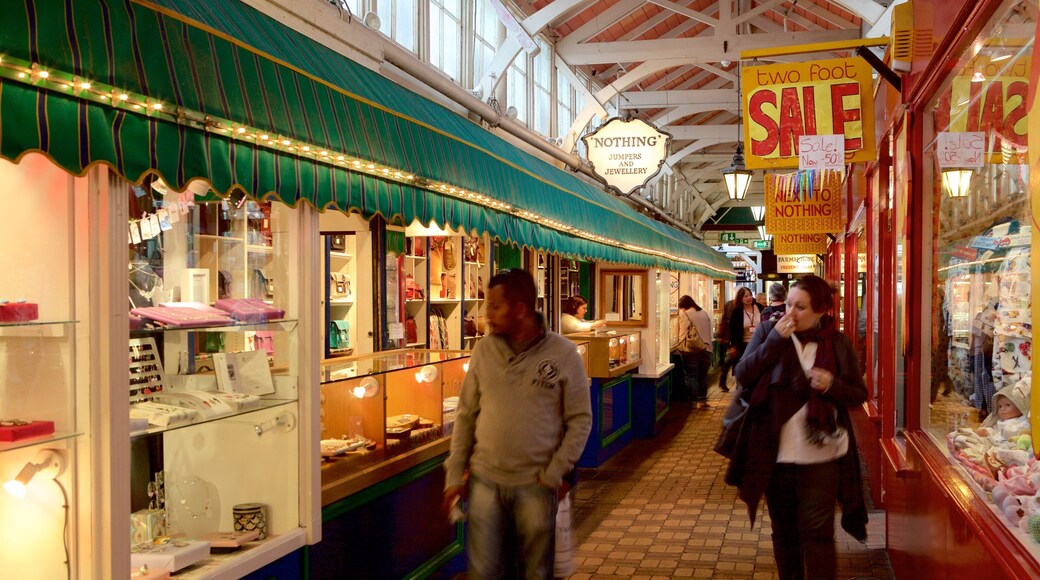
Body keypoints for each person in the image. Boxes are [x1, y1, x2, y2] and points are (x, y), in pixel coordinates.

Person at [443, 268, 593, 579]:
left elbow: (580, 420)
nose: (487, 315)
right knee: (484, 571)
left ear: (520, 309)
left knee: (535, 571)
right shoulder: (484, 350)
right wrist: (455, 474)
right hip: (485, 481)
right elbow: (467, 414)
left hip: (535, 485)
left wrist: (556, 472)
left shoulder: (563, 354)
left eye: (495, 306)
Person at [727, 274, 868, 580]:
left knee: (818, 532)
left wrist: (831, 385)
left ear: (821, 311)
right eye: (789, 303)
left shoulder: (838, 343)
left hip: (823, 454)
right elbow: (742, 374)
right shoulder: (768, 331)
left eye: (800, 307)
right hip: (775, 453)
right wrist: (775, 341)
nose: (791, 312)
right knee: (785, 533)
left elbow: (859, 394)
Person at [678, 295, 713, 409]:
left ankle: (693, 402)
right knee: (703, 376)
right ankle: (702, 400)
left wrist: (680, 346)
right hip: (707, 349)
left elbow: (682, 334)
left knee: (691, 376)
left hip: (692, 350)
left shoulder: (686, 314)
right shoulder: (704, 313)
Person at [728, 287, 763, 369]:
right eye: (746, 296)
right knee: (744, 369)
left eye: (750, 295)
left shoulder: (759, 307)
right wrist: (732, 346)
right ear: (740, 299)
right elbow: (732, 330)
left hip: (759, 343)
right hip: (743, 345)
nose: (749, 298)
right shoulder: (737, 312)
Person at [716, 298, 737, 392]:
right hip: (732, 338)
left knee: (730, 360)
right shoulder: (731, 306)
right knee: (731, 359)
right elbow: (725, 322)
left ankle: (723, 381)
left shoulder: (730, 305)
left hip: (730, 338)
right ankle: (723, 381)